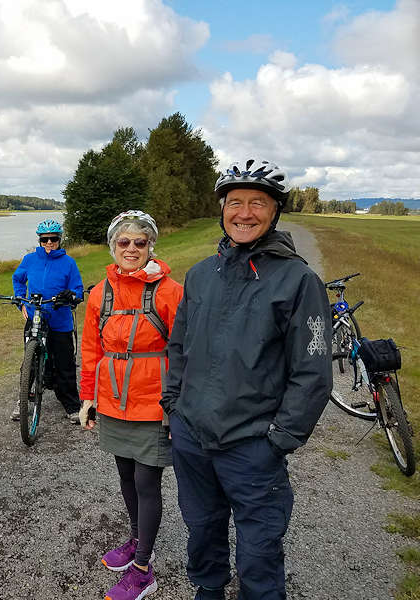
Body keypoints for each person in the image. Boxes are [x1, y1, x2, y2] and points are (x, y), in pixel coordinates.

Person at [161, 159, 333, 600]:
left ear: (275, 211)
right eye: (235, 202)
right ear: (222, 209)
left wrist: (281, 437)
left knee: (259, 549)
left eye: (258, 203)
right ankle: (208, 589)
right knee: (202, 527)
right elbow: (178, 346)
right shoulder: (201, 275)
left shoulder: (298, 281)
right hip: (193, 438)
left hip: (253, 446)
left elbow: (313, 370)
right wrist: (173, 406)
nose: (245, 212)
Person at [78, 210, 183, 600]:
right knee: (125, 476)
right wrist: (88, 397)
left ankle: (142, 568)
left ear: (151, 245)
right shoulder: (99, 293)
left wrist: (177, 404)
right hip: (113, 401)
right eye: (124, 242)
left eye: (140, 242)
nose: (132, 249)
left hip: (154, 403)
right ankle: (137, 540)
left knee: (145, 481)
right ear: (113, 247)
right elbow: (90, 350)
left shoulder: (170, 291)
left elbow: (184, 350)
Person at [11, 219, 83, 423]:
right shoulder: (29, 259)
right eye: (45, 239)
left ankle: (71, 405)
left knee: (64, 363)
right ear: (40, 240)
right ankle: (24, 400)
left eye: (53, 239)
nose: (49, 243)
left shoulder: (68, 262)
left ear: (59, 239)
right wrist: (21, 302)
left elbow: (77, 289)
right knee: (30, 363)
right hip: (35, 316)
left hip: (60, 319)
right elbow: (18, 279)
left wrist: (71, 296)